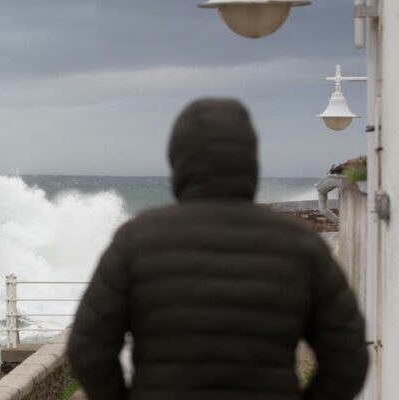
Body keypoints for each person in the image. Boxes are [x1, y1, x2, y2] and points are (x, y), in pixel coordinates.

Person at [67, 98, 368, 400]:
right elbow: (348, 357)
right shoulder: (301, 246)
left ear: (178, 161)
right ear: (249, 161)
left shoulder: (135, 240)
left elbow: (88, 347)